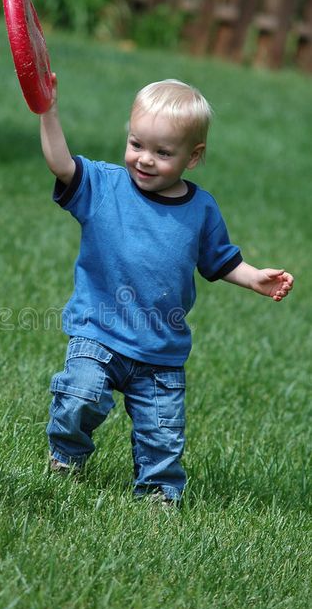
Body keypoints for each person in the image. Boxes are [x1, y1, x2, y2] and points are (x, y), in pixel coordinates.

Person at [40, 74, 294, 505]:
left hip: (160, 349)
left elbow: (220, 260)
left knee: (163, 436)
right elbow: (61, 164)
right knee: (79, 397)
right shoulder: (104, 187)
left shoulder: (200, 210)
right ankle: (65, 456)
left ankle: (158, 494)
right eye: (137, 144)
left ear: (193, 157)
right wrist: (48, 109)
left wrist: (253, 278)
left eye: (162, 152)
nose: (144, 160)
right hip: (98, 334)